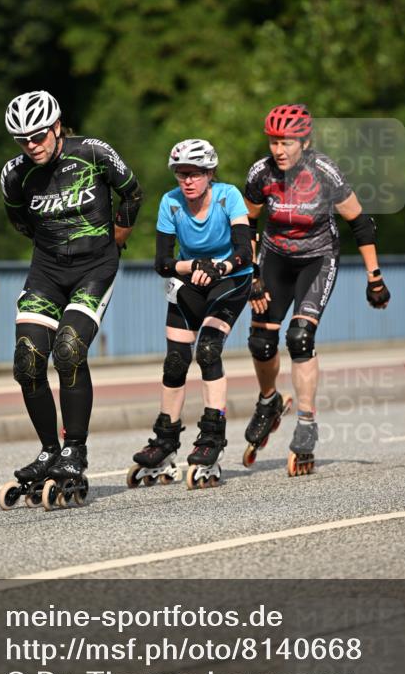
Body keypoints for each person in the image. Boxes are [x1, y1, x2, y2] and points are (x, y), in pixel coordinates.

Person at [0, 90, 143, 510]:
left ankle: (74, 450)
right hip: (46, 271)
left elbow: (132, 193)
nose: (32, 145)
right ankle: (49, 451)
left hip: (94, 268)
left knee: (68, 349)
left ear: (57, 126)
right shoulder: (13, 175)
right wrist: (56, 247)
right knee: (27, 359)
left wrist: (116, 240)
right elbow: (21, 222)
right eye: (22, 139)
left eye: (39, 135)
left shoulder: (94, 153)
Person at [243, 103, 391, 476]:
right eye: (274, 141)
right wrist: (252, 273)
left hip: (317, 260)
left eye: (287, 142)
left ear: (304, 142)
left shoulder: (324, 172)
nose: (279, 149)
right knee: (261, 342)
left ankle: (306, 421)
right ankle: (269, 401)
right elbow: (245, 223)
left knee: (300, 337)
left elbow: (361, 222)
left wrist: (374, 276)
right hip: (275, 258)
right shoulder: (261, 173)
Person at [128, 139, 253, 490]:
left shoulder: (228, 197)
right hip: (190, 281)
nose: (187, 181)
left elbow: (245, 250)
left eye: (195, 174)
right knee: (175, 361)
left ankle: (212, 435)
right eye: (181, 174)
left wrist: (219, 266)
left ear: (209, 173)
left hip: (231, 280)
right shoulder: (170, 202)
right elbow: (162, 262)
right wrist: (193, 265)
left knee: (208, 350)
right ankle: (165, 440)